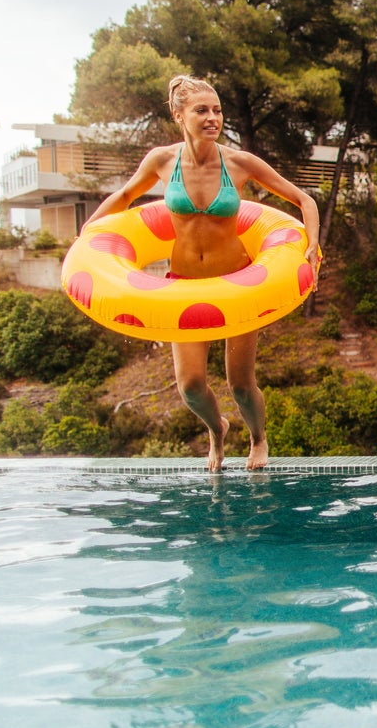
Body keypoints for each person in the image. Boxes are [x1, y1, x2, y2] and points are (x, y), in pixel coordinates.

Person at [89, 75, 323, 470]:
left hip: (237, 284)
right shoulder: (162, 161)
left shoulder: (238, 162)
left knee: (241, 385)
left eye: (217, 110)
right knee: (191, 387)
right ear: (179, 115)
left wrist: (312, 246)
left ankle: (258, 438)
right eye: (201, 110)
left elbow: (304, 199)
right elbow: (125, 196)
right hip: (183, 285)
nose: (212, 117)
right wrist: (87, 235)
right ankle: (217, 430)